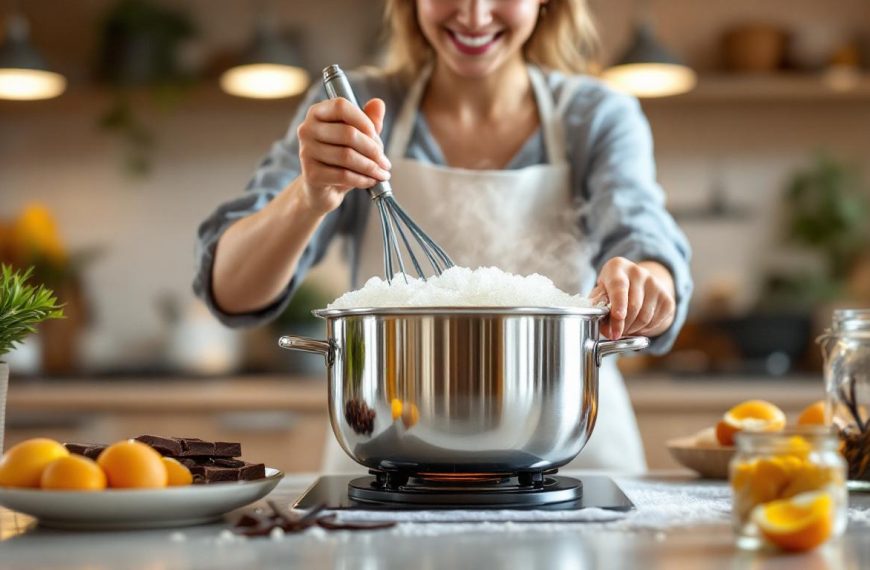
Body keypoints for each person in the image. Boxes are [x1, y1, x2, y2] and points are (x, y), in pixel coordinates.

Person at [194, 0, 692, 473]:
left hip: (570, 456)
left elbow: (643, 239)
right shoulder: (357, 108)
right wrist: (308, 196)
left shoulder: (595, 115)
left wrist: (647, 284)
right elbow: (232, 292)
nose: (473, 15)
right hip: (387, 453)